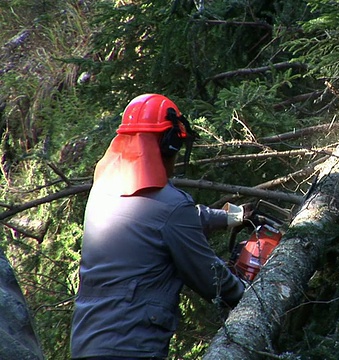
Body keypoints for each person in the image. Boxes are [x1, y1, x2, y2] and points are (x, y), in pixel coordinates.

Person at [70, 94, 247, 360]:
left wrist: (228, 217)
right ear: (169, 144)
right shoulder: (170, 205)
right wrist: (250, 295)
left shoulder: (103, 193)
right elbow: (210, 278)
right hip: (132, 348)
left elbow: (156, 222)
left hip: (87, 344)